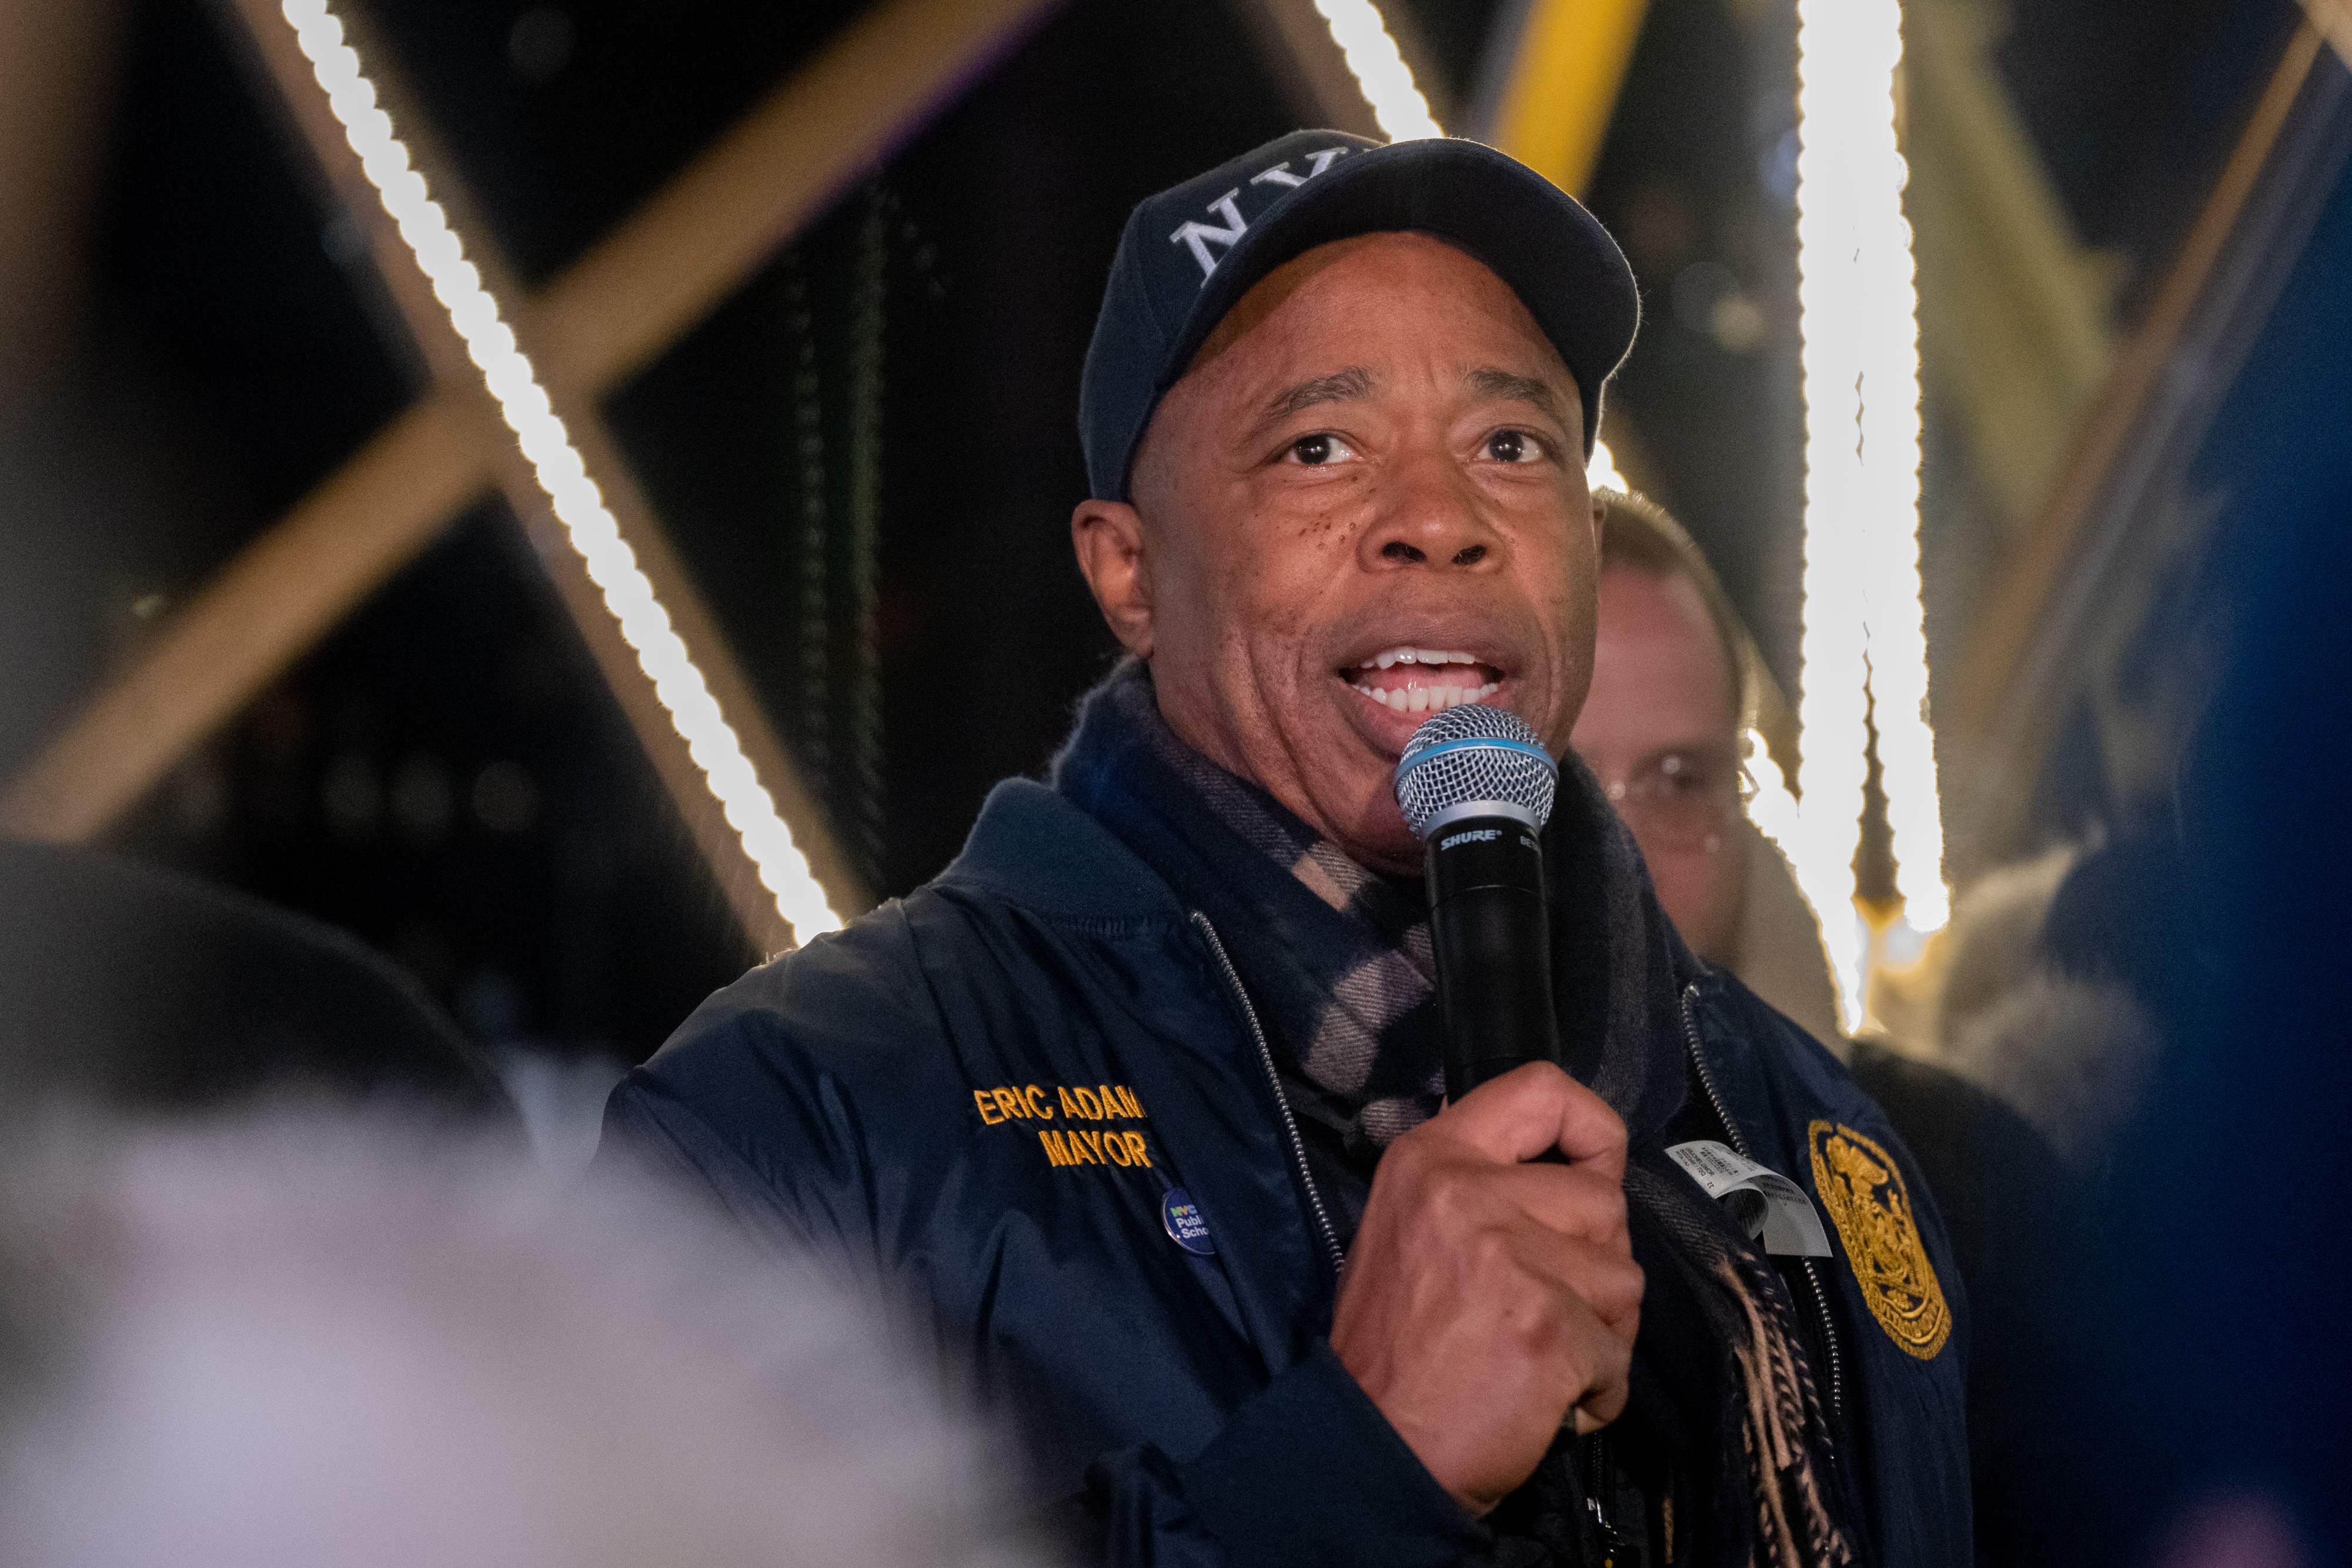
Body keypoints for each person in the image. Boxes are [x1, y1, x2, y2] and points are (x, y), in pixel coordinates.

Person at [603, 131, 1969, 1567]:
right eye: (1318, 446)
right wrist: (1356, 1462)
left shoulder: (1808, 1135)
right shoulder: (805, 1114)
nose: (1439, 522)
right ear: (1127, 570)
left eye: (1511, 445)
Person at [1567, 490, 2094, 1567]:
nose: (1620, 856)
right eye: (1561, 782)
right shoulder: (1333, 1190)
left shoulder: (1949, 1179)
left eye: (1678, 783)